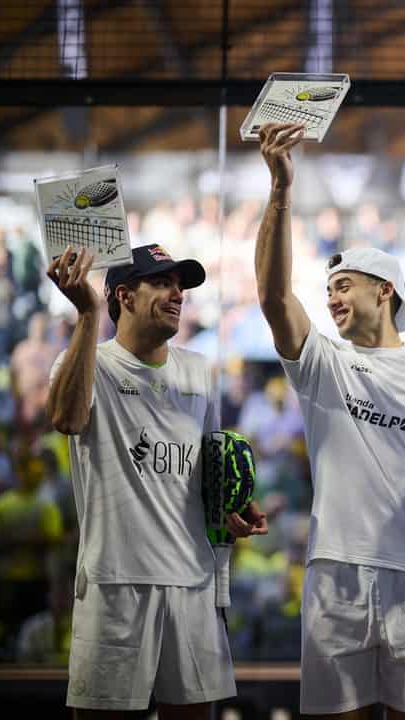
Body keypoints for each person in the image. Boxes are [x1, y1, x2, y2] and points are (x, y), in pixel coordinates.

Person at [253, 123, 405, 720]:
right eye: (328, 289)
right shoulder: (323, 363)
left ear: (384, 290)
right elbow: (273, 296)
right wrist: (281, 189)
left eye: (343, 285)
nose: (331, 298)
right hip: (335, 577)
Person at [46, 244, 268, 718]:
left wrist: (232, 505)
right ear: (123, 295)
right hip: (115, 584)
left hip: (192, 583)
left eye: (180, 286)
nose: (177, 294)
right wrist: (86, 315)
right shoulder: (90, 364)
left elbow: (209, 463)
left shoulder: (197, 369)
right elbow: (66, 418)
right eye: (163, 283)